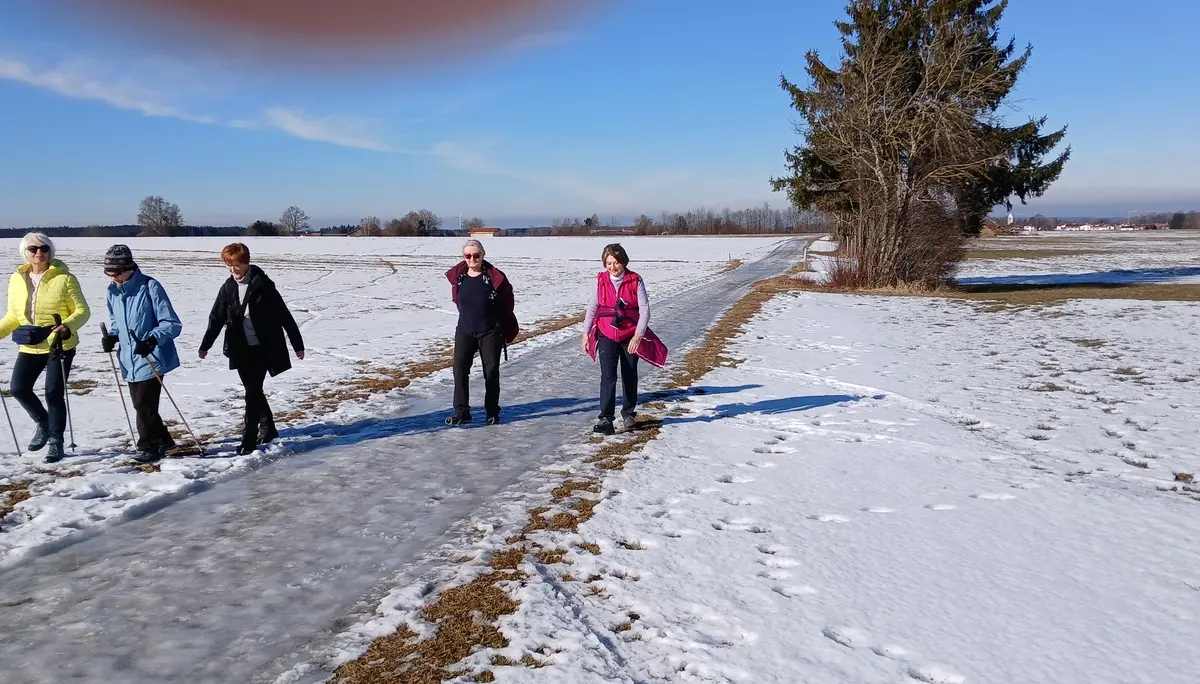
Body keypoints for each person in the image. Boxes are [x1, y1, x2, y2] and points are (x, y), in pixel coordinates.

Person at [198, 242, 304, 455]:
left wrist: (297, 344)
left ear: (246, 262)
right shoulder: (227, 288)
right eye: (228, 265)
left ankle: (249, 439)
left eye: (236, 265)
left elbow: (283, 314)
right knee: (252, 390)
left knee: (252, 392)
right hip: (241, 348)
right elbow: (216, 317)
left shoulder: (263, 284)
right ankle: (268, 428)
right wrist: (206, 345)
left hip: (264, 347)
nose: (232, 270)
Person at [0, 232, 90, 462]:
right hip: (30, 344)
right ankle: (43, 422)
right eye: (33, 249)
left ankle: (56, 442)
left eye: (44, 248)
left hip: (59, 345)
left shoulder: (65, 278)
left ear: (51, 251)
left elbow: (82, 311)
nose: (39, 252)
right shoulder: (16, 279)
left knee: (53, 393)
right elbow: (13, 316)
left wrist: (66, 327)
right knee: (19, 388)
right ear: (25, 252)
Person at [99, 245, 183, 463]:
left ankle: (147, 446)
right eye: (108, 273)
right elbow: (117, 322)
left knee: (143, 404)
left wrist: (152, 340)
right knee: (142, 404)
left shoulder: (150, 287)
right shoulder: (112, 291)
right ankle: (164, 441)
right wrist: (113, 337)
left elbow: (172, 323)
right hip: (128, 358)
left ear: (128, 268)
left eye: (116, 272)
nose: (113, 277)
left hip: (152, 356)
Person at [581, 243, 668, 435]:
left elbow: (644, 310)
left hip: (629, 334)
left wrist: (638, 336)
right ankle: (606, 418)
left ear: (624, 262)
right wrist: (586, 333)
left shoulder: (635, 280)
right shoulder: (601, 281)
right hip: (606, 333)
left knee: (629, 374)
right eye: (609, 263)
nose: (612, 267)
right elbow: (592, 307)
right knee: (608, 376)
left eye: (616, 262)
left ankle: (628, 413)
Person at [444, 239, 517, 426]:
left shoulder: (494, 277)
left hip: (490, 331)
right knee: (459, 369)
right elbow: (458, 301)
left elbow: (507, 302)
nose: (472, 259)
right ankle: (462, 413)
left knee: (490, 371)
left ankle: (492, 412)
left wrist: (500, 323)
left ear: (483, 256)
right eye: (468, 256)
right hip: (465, 329)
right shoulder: (460, 277)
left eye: (476, 255)